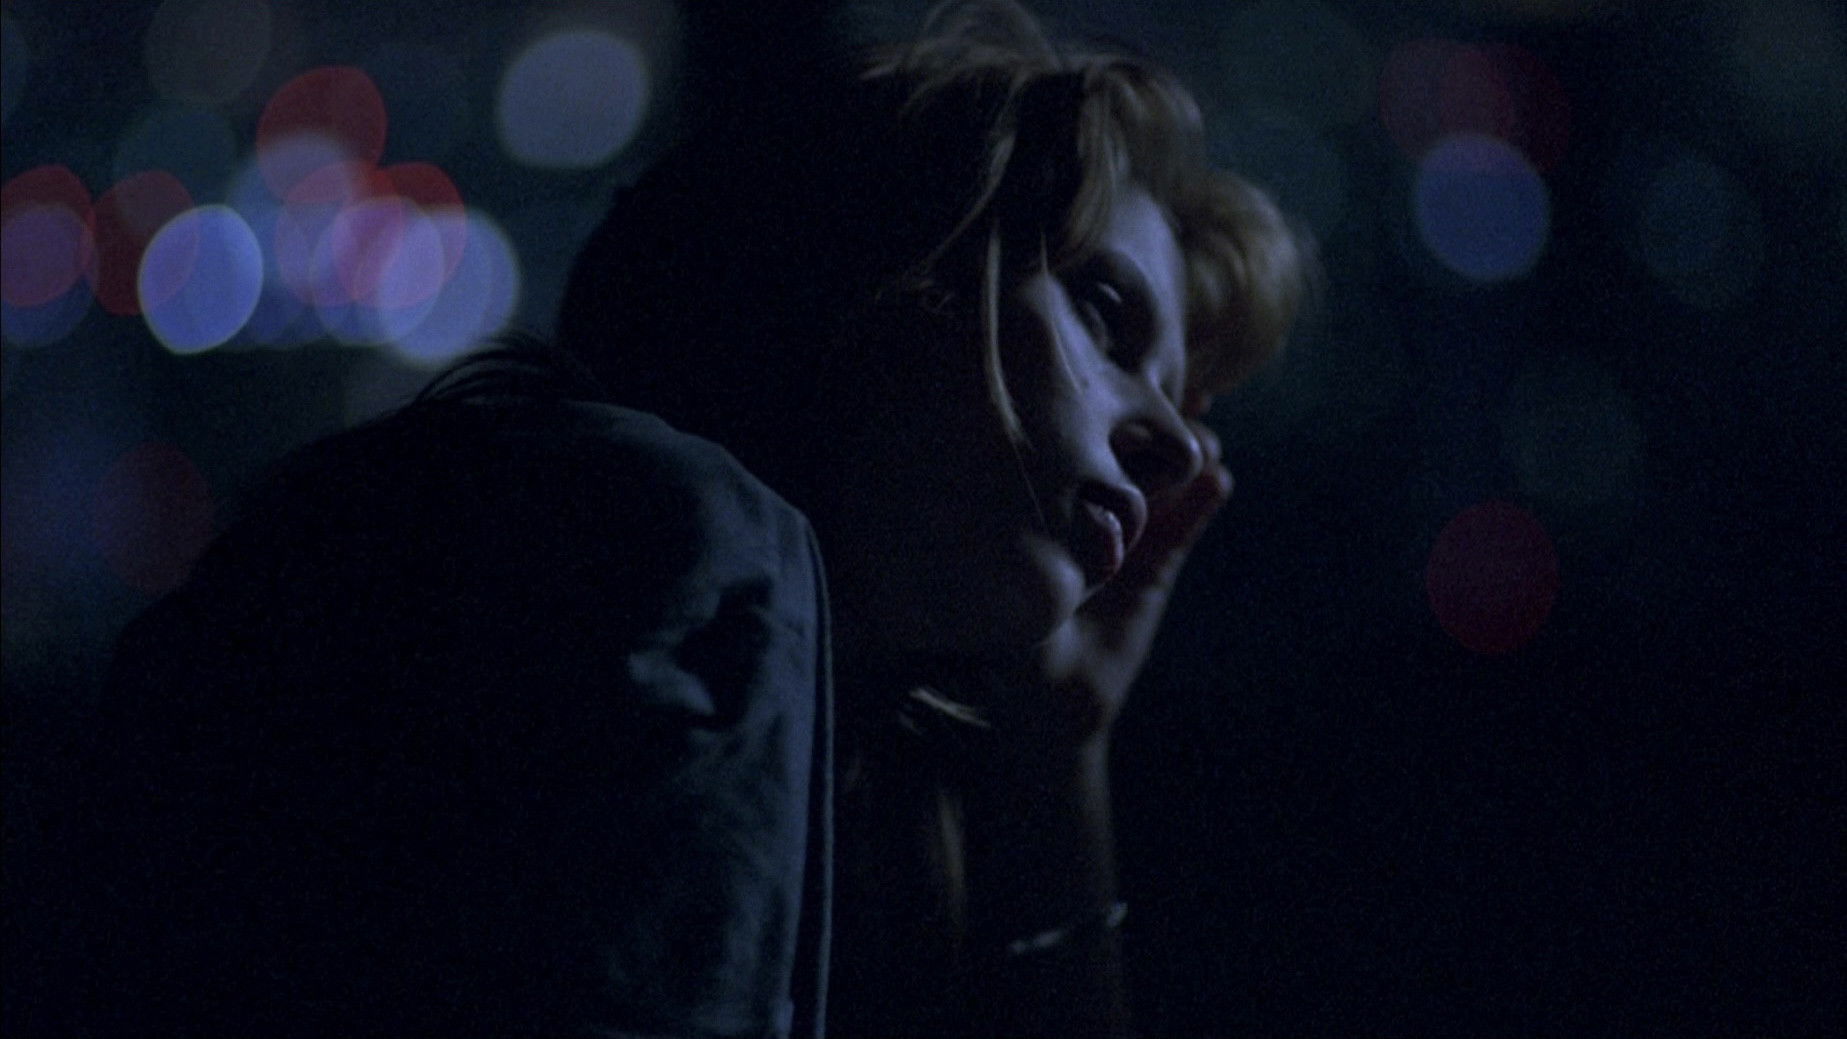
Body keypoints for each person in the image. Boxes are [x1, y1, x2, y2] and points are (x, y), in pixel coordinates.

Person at [76, 2, 1305, 1035]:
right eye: (1103, 312)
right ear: (889, 266)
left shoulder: (722, 611)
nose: (1174, 443)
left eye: (1179, 396)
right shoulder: (683, 544)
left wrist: (1056, 752)